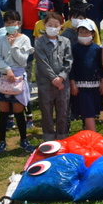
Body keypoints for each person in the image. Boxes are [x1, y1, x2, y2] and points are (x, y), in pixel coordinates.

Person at [0, 10, 36, 153]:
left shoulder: (25, 39)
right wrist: (7, 70)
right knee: (3, 111)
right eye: (7, 23)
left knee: (18, 110)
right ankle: (2, 141)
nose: (10, 25)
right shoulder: (1, 39)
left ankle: (23, 140)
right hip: (4, 76)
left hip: (18, 78)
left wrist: (14, 46)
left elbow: (22, 59)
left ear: (19, 23)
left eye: (13, 22)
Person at [34, 11, 73, 141]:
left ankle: (62, 137)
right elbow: (42, 62)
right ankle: (49, 137)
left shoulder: (65, 41)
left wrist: (61, 77)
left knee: (63, 111)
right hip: (46, 83)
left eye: (56, 25)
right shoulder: (39, 43)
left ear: (61, 26)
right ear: (44, 25)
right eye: (50, 24)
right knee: (46, 111)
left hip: (63, 84)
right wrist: (54, 79)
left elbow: (68, 61)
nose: (53, 27)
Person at [69, 21, 103, 132]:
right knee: (88, 112)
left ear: (92, 34)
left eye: (86, 32)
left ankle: (89, 134)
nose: (84, 35)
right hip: (80, 86)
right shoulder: (74, 49)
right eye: (81, 32)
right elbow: (71, 67)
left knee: (91, 111)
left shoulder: (97, 49)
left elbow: (101, 66)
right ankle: (93, 135)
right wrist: (72, 84)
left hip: (94, 85)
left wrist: (102, 82)